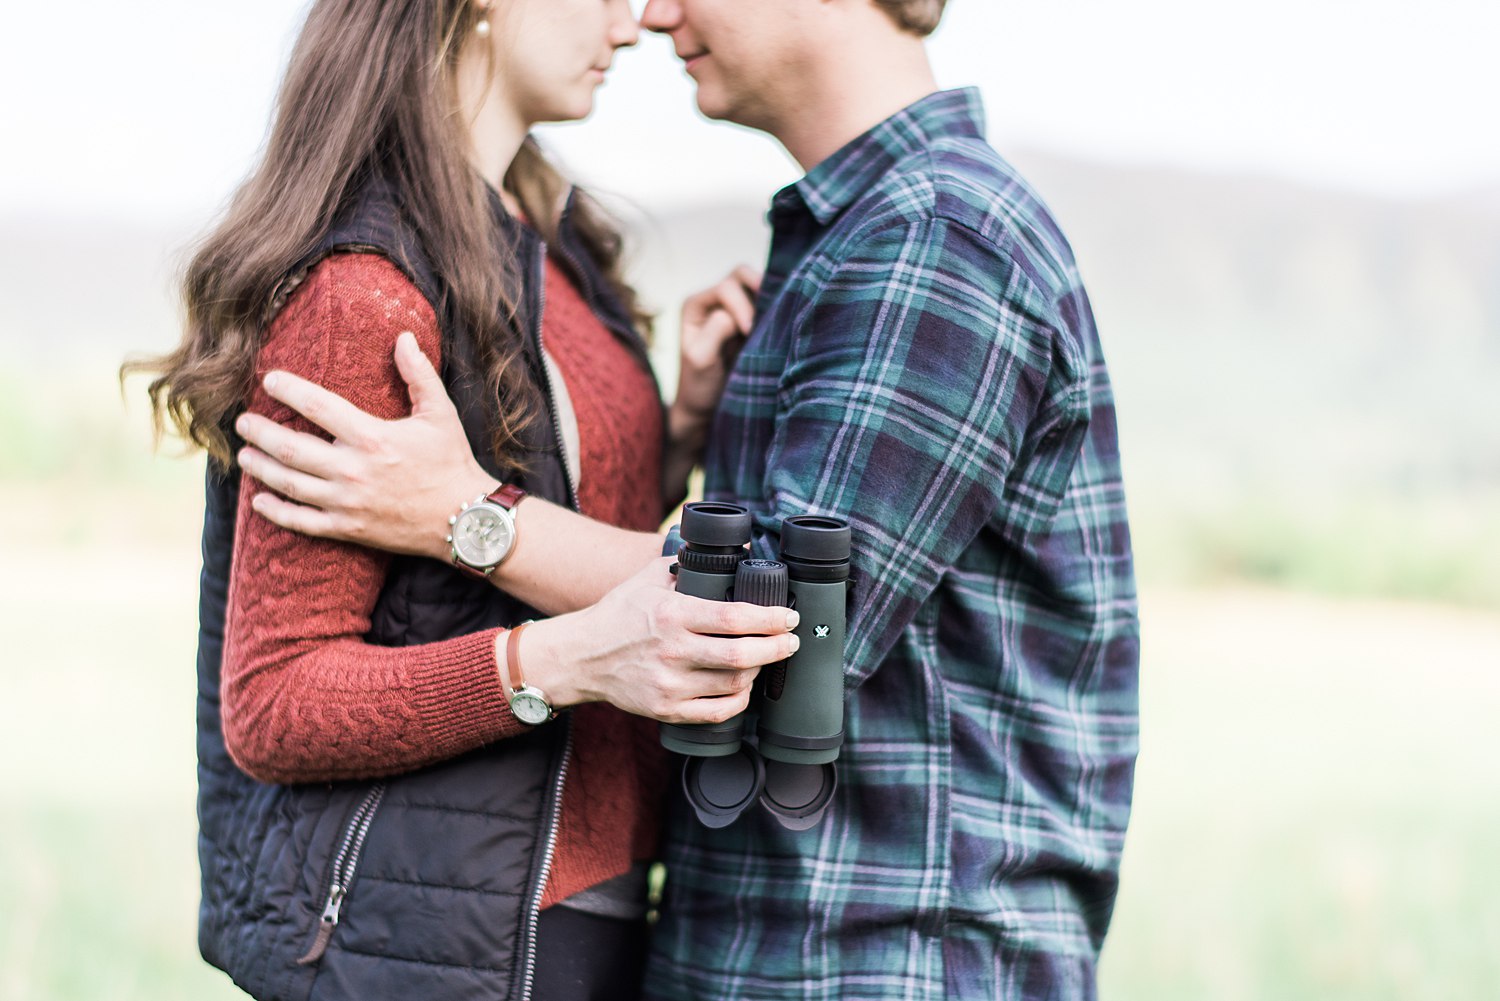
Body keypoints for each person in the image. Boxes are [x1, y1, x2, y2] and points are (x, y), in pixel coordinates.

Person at [233, 0, 1142, 998]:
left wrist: (471, 516)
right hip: (778, 944)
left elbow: (785, 616)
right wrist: (681, 447)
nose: (654, 13)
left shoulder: (934, 236)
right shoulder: (858, 237)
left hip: (880, 956)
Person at [126, 1, 799, 998]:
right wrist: (556, 662)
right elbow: (271, 702)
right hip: (428, 940)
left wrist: (684, 427)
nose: (635, 21)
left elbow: (513, 525)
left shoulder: (544, 241)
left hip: (591, 906)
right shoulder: (364, 295)